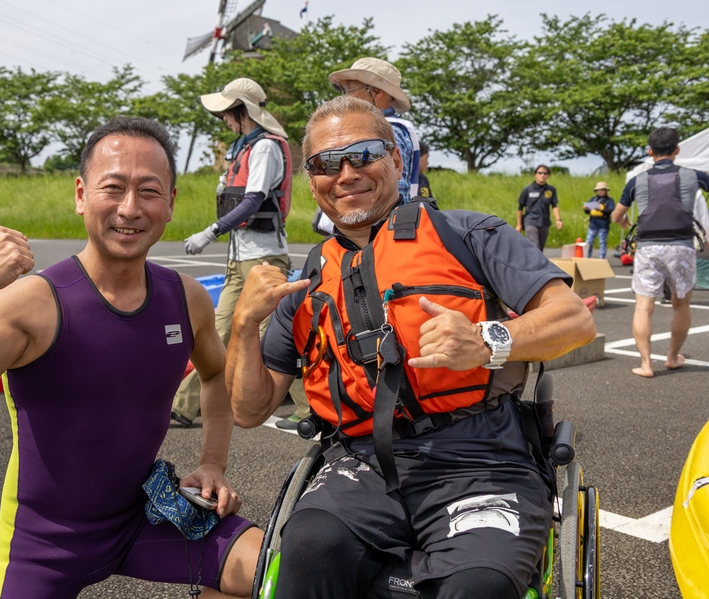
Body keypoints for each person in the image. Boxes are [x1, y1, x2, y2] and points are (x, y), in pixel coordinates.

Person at [226, 98, 596, 599]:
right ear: (312, 182)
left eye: (364, 154)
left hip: (482, 460)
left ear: (397, 160)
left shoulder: (469, 234)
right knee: (309, 548)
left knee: (479, 585)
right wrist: (247, 325)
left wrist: (487, 340)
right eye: (326, 163)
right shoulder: (305, 284)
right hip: (361, 465)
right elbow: (248, 410)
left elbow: (574, 318)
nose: (346, 172)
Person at [0, 117, 261, 599]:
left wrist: (213, 463)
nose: (129, 208)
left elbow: (216, 376)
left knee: (274, 573)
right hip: (44, 542)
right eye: (112, 188)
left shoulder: (186, 298)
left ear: (171, 203)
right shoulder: (33, 302)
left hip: (143, 517)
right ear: (80, 194)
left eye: (149, 191)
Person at [173, 77, 310, 429]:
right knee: (217, 332)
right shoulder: (243, 147)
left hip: (263, 258)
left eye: (226, 113)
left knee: (269, 334)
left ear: (241, 112)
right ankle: (184, 406)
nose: (224, 120)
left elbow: (252, 200)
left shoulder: (264, 147)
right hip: (239, 258)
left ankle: (310, 408)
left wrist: (211, 232)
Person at [612, 127, 709, 378]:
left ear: (649, 151)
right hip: (681, 246)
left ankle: (646, 364)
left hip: (648, 248)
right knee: (681, 304)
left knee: (643, 307)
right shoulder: (694, 176)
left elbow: (617, 215)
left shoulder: (638, 180)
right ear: (677, 150)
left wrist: (624, 223)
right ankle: (672, 357)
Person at [312, 57, 423, 236]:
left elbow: (393, 191)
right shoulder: (393, 128)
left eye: (350, 89)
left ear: (376, 92)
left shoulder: (388, 130)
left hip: (377, 237)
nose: (344, 96)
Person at [516, 165, 562, 251]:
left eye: (545, 173)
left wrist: (558, 219)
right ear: (535, 174)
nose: (542, 175)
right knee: (535, 246)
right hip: (530, 221)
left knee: (540, 248)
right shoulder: (528, 189)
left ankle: (537, 263)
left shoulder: (551, 190)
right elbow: (520, 207)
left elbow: (554, 205)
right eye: (540, 173)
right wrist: (519, 224)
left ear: (548, 175)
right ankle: (533, 264)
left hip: (544, 222)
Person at [583, 181, 615, 259]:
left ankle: (601, 258)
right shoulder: (593, 199)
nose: (600, 192)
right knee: (589, 242)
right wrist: (586, 209)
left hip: (603, 224)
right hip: (593, 224)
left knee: (602, 242)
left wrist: (600, 210)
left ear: (605, 191)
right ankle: (587, 257)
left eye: (602, 190)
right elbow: (588, 212)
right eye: (598, 190)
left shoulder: (609, 201)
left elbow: (611, 210)